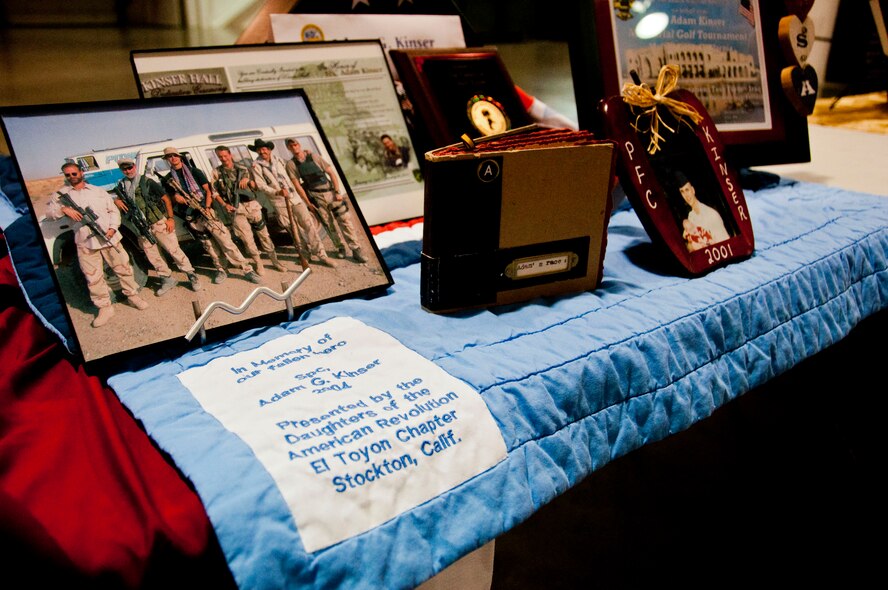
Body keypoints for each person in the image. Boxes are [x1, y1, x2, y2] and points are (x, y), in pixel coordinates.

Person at [46, 162, 148, 327]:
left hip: (109, 238)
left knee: (123, 269)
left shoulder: (97, 191)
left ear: (81, 173)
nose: (72, 177)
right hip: (85, 242)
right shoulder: (60, 195)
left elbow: (113, 211)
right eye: (68, 175)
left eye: (74, 173)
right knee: (93, 277)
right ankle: (105, 308)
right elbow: (49, 214)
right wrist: (63, 210)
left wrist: (113, 228)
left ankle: (133, 296)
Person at [160, 147, 261, 285]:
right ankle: (221, 269)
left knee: (225, 241)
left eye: (174, 155)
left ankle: (247, 269)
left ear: (179, 157)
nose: (173, 158)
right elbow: (168, 198)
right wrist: (175, 196)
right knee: (209, 245)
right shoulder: (168, 179)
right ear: (167, 160)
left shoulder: (194, 172)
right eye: (169, 157)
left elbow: (208, 191)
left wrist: (207, 208)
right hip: (192, 217)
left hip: (207, 211)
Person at [112, 158, 201, 294]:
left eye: (130, 168)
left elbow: (165, 199)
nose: (128, 171)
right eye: (124, 169)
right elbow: (116, 198)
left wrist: (170, 219)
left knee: (173, 250)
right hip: (141, 227)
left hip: (158, 222)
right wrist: (117, 201)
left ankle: (191, 275)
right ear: (121, 171)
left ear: (134, 167)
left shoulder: (146, 181)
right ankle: (166, 278)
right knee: (152, 255)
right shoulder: (122, 187)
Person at [249, 138, 335, 268]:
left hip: (295, 198)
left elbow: (292, 173)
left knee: (308, 224)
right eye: (259, 150)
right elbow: (261, 185)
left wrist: (307, 154)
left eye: (264, 148)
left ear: (269, 149)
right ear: (256, 151)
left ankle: (322, 254)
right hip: (279, 202)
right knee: (293, 229)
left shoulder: (280, 161)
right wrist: (277, 192)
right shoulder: (256, 166)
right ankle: (305, 254)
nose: (262, 151)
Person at [285, 138, 367, 264]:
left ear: (299, 145)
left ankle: (356, 249)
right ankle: (340, 247)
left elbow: (331, 173)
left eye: (295, 144)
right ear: (288, 148)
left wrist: (337, 191)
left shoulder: (314, 156)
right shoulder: (291, 164)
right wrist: (308, 203)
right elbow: (297, 185)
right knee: (328, 224)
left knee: (345, 221)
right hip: (316, 198)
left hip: (331, 194)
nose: (294, 147)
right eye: (291, 146)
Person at [212, 145, 286, 275]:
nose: (223, 159)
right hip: (236, 209)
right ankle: (259, 263)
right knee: (247, 239)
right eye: (220, 157)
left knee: (264, 235)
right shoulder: (216, 172)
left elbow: (257, 185)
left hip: (251, 205)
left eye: (225, 155)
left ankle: (275, 261)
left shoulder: (244, 168)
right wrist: (225, 205)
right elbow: (214, 192)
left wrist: (248, 180)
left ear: (230, 154)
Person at [674, 170, 730, 248]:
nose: (686, 195)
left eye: (687, 190)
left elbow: (727, 245)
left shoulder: (711, 214)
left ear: (693, 190)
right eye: (682, 192)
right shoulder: (691, 216)